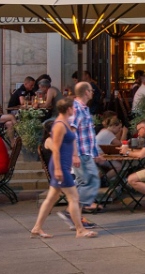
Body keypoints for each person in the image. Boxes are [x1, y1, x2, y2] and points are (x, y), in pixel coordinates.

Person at [29, 99, 97, 239]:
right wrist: (59, 169)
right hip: (60, 166)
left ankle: (37, 228)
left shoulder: (66, 122)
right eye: (73, 108)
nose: (75, 110)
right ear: (68, 109)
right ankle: (80, 229)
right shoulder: (59, 125)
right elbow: (56, 149)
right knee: (74, 197)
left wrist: (75, 156)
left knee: (51, 198)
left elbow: (72, 141)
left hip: (63, 165)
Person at [72, 82, 104, 215]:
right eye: (91, 90)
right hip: (80, 152)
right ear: (86, 92)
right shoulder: (76, 109)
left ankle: (77, 213)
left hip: (86, 152)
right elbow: (72, 132)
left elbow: (89, 134)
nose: (92, 93)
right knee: (87, 181)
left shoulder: (84, 108)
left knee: (91, 180)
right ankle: (74, 211)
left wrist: (95, 154)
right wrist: (74, 155)